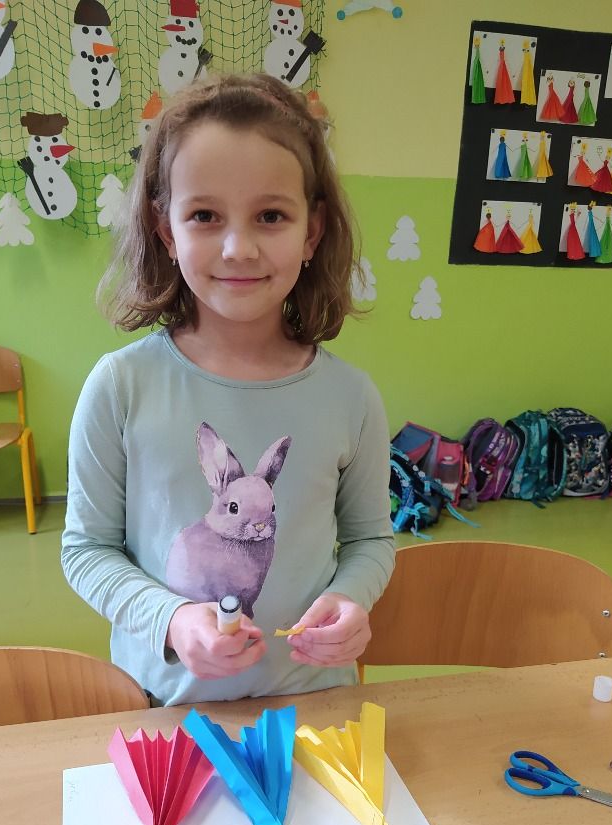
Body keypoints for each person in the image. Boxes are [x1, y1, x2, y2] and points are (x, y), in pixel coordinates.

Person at [61, 73, 395, 706]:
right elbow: (87, 550)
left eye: (271, 216)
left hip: (313, 706)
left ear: (312, 232)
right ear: (166, 230)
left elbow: (370, 540)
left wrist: (352, 597)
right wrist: (170, 619)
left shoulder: (350, 398)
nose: (239, 248)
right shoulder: (120, 387)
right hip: (165, 711)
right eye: (205, 216)